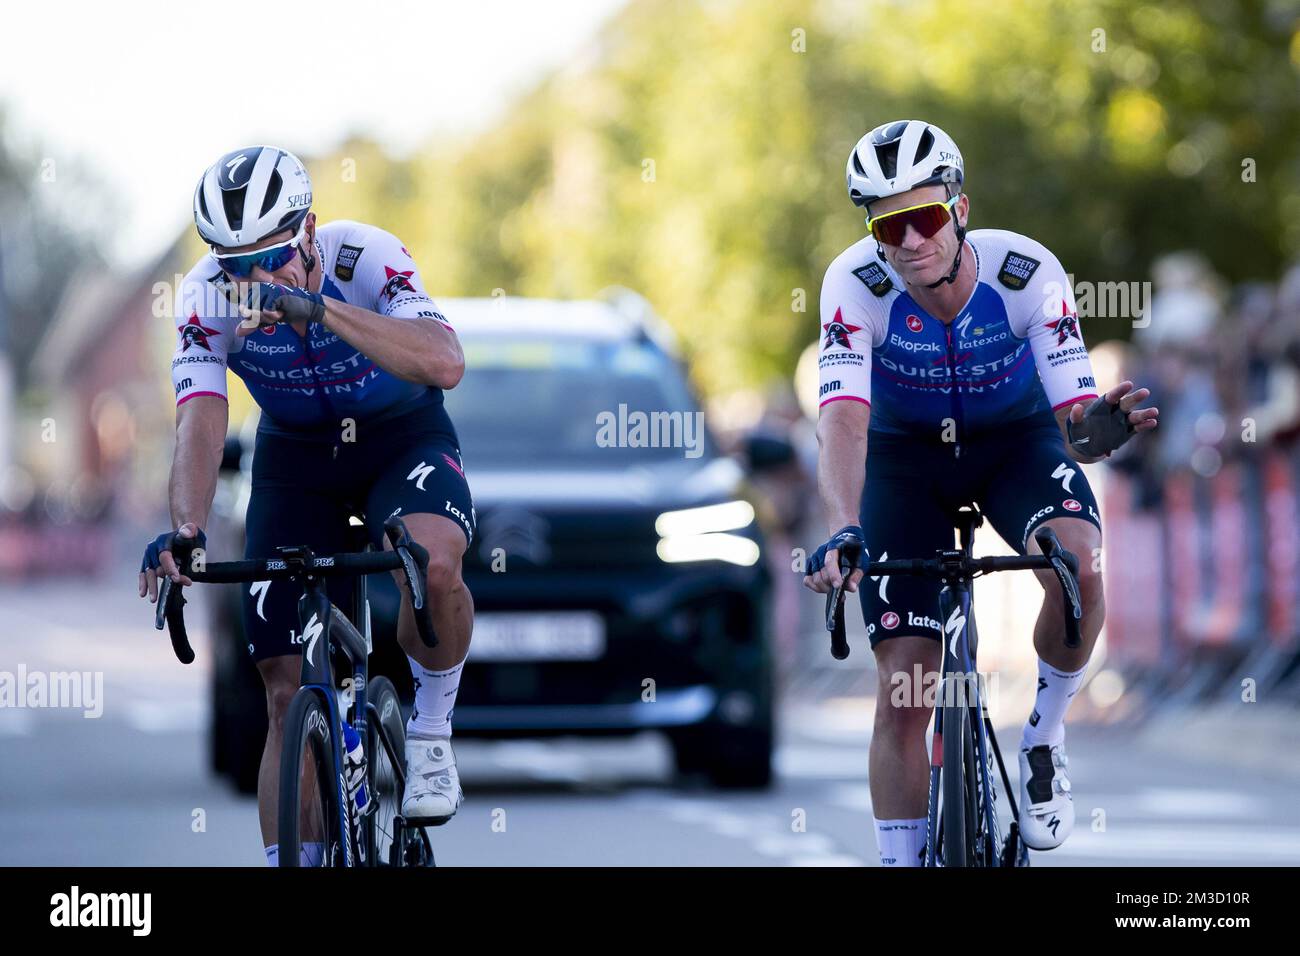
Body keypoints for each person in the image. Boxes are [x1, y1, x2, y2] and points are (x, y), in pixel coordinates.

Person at [803, 120, 1158, 865]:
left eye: (924, 218)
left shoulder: (1028, 272)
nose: (907, 241)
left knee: (1080, 564)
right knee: (905, 681)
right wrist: (842, 527)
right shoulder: (853, 283)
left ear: (960, 209)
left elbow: (1074, 428)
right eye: (886, 225)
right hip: (904, 463)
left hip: (1013, 445)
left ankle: (1045, 736)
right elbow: (841, 418)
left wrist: (1104, 430)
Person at [137, 145, 475, 865]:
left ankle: (431, 735)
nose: (257, 280)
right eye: (237, 267)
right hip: (295, 457)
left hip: (399, 438)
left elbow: (445, 360)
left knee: (435, 568)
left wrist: (320, 311)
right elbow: (200, 417)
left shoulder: (365, 258)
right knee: (284, 698)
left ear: (312, 231)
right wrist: (187, 529)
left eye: (275, 257)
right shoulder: (204, 301)